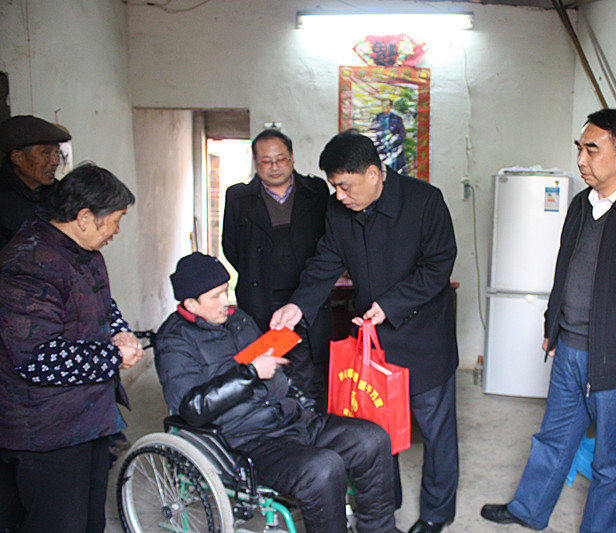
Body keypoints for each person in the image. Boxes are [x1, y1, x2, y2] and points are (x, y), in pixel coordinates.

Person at [481, 109, 616, 533]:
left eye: (592, 149)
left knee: (612, 460)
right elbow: (564, 270)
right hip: (569, 350)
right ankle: (528, 510)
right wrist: (551, 326)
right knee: (553, 439)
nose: (580, 159)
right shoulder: (580, 204)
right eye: (579, 148)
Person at [271, 131, 459, 533]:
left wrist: (390, 304)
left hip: (425, 340)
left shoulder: (425, 201)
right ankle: (384, 506)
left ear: (373, 174)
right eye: (333, 186)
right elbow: (326, 258)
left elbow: (438, 265)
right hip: (375, 343)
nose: (338, 195)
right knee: (378, 431)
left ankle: (436, 514)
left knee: (436, 432)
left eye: (345, 186)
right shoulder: (339, 210)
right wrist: (298, 304)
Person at [154, 252, 399, 533]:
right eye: (216, 296)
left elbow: (276, 367)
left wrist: (303, 404)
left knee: (372, 439)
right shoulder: (174, 341)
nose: (226, 301)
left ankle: (379, 529)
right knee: (323, 468)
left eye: (225, 291)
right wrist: (248, 373)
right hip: (244, 440)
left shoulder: (238, 320)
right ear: (190, 304)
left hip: (289, 419)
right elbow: (192, 408)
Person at [0, 163, 143, 532]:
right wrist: (114, 357)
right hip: (48, 431)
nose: (116, 231)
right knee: (59, 523)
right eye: (115, 221)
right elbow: (38, 359)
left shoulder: (83, 251)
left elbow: (102, 303)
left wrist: (120, 332)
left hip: (88, 418)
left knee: (90, 520)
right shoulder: (28, 265)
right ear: (84, 218)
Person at [223, 128, 331, 406]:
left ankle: (311, 424)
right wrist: (256, 272)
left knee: (309, 375)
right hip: (261, 298)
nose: (274, 167)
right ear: (255, 163)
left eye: (280, 159)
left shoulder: (315, 191)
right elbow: (231, 246)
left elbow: (328, 243)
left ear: (292, 157)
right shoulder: (238, 197)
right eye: (266, 161)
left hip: (306, 298)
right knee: (265, 373)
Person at [0, 114, 72, 250]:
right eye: (46, 153)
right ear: (18, 158)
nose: (55, 161)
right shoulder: (4, 199)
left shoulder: (61, 193)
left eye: (56, 152)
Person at [369, 98, 406, 173]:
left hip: (394, 147)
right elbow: (372, 132)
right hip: (380, 147)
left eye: (387, 105)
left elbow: (402, 134)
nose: (384, 107)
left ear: (390, 107)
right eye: (383, 105)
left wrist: (394, 142)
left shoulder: (397, 119)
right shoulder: (377, 118)